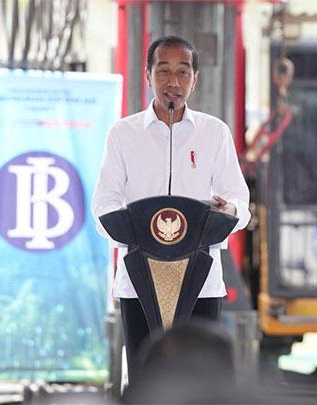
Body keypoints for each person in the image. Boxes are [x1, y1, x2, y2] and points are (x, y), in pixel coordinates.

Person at [91, 35, 250, 383]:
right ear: (148, 75)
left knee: (201, 384)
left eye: (182, 72)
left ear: (195, 79)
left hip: (201, 282)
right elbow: (104, 204)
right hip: (139, 282)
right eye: (163, 70)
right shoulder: (123, 134)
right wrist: (128, 226)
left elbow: (240, 201)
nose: (173, 82)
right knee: (146, 383)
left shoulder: (214, 133)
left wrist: (229, 209)